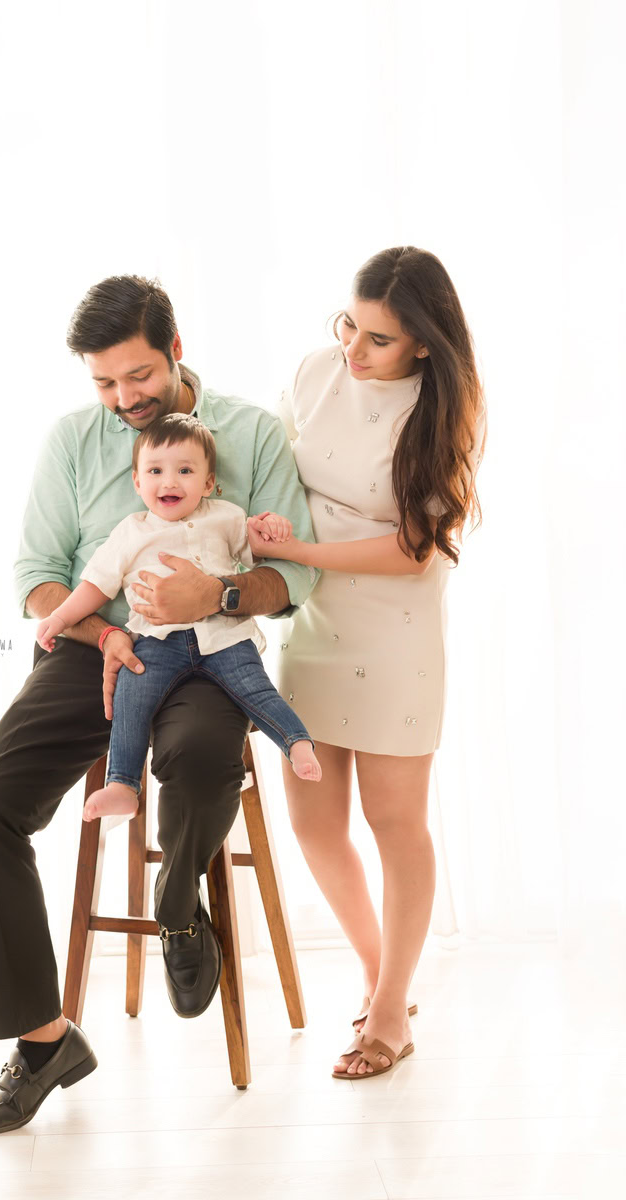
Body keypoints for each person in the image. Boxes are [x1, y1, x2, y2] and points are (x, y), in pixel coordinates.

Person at [0, 275, 319, 1137]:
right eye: (104, 383)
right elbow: (36, 578)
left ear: (176, 349)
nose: (123, 398)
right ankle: (44, 1044)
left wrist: (217, 596)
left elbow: (293, 576)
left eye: (139, 375)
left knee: (198, 758)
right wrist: (107, 636)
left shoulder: (252, 433)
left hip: (211, 653)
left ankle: (179, 909)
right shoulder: (73, 441)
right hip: (98, 652)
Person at [251, 246, 486, 1081]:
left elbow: (415, 549)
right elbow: (265, 466)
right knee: (314, 822)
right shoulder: (316, 372)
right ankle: (382, 969)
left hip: (395, 631)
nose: (353, 348)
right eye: (348, 324)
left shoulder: (441, 409)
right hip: (312, 621)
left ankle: (389, 1010)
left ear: (423, 341)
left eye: (378, 339)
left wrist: (305, 551)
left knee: (395, 821)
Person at [35, 412, 322, 818]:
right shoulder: (131, 531)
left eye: (185, 471)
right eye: (155, 471)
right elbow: (96, 585)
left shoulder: (226, 516)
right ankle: (122, 784)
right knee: (130, 696)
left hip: (225, 636)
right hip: (156, 642)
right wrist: (60, 618)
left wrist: (271, 527)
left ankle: (296, 742)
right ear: (138, 482)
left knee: (255, 688)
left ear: (207, 482)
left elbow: (261, 551)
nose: (169, 482)